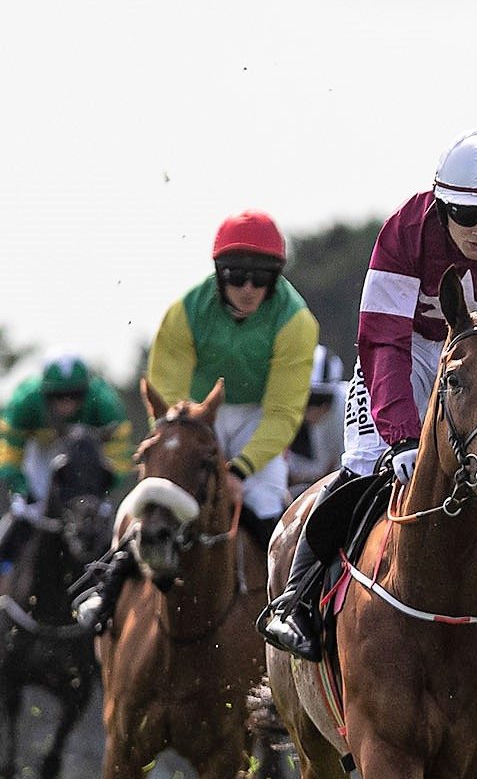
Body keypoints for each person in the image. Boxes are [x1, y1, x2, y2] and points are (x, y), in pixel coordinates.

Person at [259, 127, 477, 660]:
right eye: (464, 214)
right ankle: (297, 597)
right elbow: (382, 341)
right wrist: (403, 437)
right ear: (439, 203)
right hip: (409, 355)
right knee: (363, 467)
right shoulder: (405, 231)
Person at [72, 211, 319, 633]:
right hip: (194, 417)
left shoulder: (296, 322)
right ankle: (107, 589)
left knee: (270, 509)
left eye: (259, 279)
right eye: (236, 276)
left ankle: (291, 612)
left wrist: (239, 470)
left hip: (259, 422)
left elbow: (283, 412)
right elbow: (165, 399)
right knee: (154, 498)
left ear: (275, 278)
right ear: (219, 274)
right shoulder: (185, 312)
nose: (247, 288)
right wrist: (183, 437)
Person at [0, 355, 132, 571]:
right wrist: (22, 487)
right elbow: (8, 456)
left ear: (86, 392)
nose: (66, 403)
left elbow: (120, 460)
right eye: (58, 396)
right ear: (45, 393)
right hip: (40, 458)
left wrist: (105, 487)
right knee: (20, 517)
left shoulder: (105, 403)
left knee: (104, 520)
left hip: (87, 465)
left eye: (74, 395)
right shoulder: (25, 401)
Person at [285, 345, 348, 499]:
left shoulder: (347, 403)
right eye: (308, 400)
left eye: (322, 400)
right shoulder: (281, 409)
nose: (314, 410)